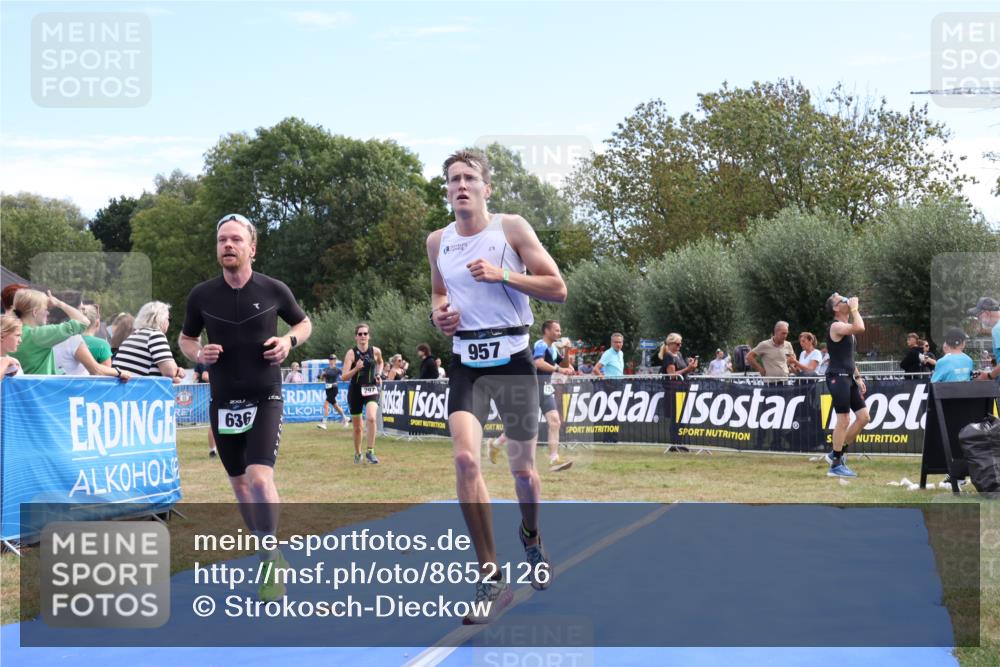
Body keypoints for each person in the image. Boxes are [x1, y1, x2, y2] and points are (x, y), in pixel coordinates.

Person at [427, 149, 567, 624]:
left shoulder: (511, 229)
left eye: (469, 178)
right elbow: (440, 292)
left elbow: (557, 287)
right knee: (465, 458)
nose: (460, 186)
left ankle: (530, 535)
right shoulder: (437, 241)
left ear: (487, 188)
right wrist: (439, 315)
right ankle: (491, 577)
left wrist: (502, 273)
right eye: (452, 180)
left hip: (511, 359)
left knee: (523, 472)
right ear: (446, 190)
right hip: (466, 361)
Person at [178, 212, 312, 602]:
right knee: (239, 485)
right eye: (222, 241)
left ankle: (271, 559)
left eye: (236, 240)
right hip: (223, 400)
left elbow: (304, 324)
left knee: (258, 478)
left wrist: (289, 342)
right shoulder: (202, 295)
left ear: (252, 247)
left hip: (265, 395)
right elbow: (186, 340)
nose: (228, 246)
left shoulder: (273, 289)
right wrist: (198, 355)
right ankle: (267, 548)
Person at [488, 320, 575, 472]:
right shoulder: (540, 345)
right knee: (522, 426)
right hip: (532, 387)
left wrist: (567, 351)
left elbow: (565, 365)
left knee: (555, 421)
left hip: (546, 388)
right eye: (556, 330)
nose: (559, 333)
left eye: (560, 331)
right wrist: (559, 370)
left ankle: (554, 459)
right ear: (547, 331)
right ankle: (495, 445)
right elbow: (538, 363)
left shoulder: (553, 348)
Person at [822, 293, 870, 478]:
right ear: (835, 309)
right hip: (837, 377)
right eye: (841, 301)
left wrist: (858, 377)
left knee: (864, 417)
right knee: (843, 419)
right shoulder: (836, 326)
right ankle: (835, 465)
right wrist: (855, 308)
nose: (846, 301)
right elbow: (860, 327)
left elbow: (848, 357)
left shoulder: (845, 328)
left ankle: (836, 453)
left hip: (848, 376)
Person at [9, 289, 92, 375]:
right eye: (45, 309)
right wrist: (60, 304)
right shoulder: (38, 334)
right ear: (35, 312)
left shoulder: (9, 332)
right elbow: (84, 322)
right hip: (40, 387)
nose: (48, 313)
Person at [113, 301, 185, 383]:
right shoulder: (155, 335)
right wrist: (177, 371)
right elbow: (170, 372)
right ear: (161, 319)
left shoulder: (132, 336)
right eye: (169, 319)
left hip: (127, 390)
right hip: (143, 392)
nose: (169, 322)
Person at [342, 323, 384, 464]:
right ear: (356, 337)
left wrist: (378, 374)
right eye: (360, 334)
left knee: (371, 418)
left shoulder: (376, 351)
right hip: (355, 391)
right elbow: (344, 377)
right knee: (358, 428)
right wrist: (356, 368)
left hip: (371, 388)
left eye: (365, 334)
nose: (363, 336)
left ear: (369, 336)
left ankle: (370, 451)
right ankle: (358, 453)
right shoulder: (351, 353)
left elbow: (381, 362)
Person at [969, 297, 1000, 383]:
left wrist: (989, 375)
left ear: (987, 313)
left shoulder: (997, 329)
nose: (978, 318)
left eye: (978, 315)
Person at [316, 354, 350, 428]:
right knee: (336, 406)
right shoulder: (325, 369)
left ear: (335, 361)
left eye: (333, 359)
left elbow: (344, 377)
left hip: (334, 389)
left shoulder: (337, 370)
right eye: (330, 359)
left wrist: (343, 377)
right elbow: (320, 378)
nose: (331, 361)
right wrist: (321, 376)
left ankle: (324, 423)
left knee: (325, 405)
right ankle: (345, 418)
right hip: (327, 389)